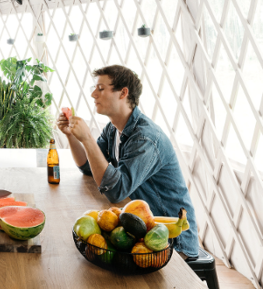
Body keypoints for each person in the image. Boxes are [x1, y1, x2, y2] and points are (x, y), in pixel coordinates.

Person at [57, 64, 199, 257]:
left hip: (170, 239)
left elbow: (115, 191)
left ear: (123, 93)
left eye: (100, 89)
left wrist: (88, 138)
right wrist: (72, 136)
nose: (93, 95)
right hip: (139, 228)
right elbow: (88, 167)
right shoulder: (113, 129)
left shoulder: (145, 139)